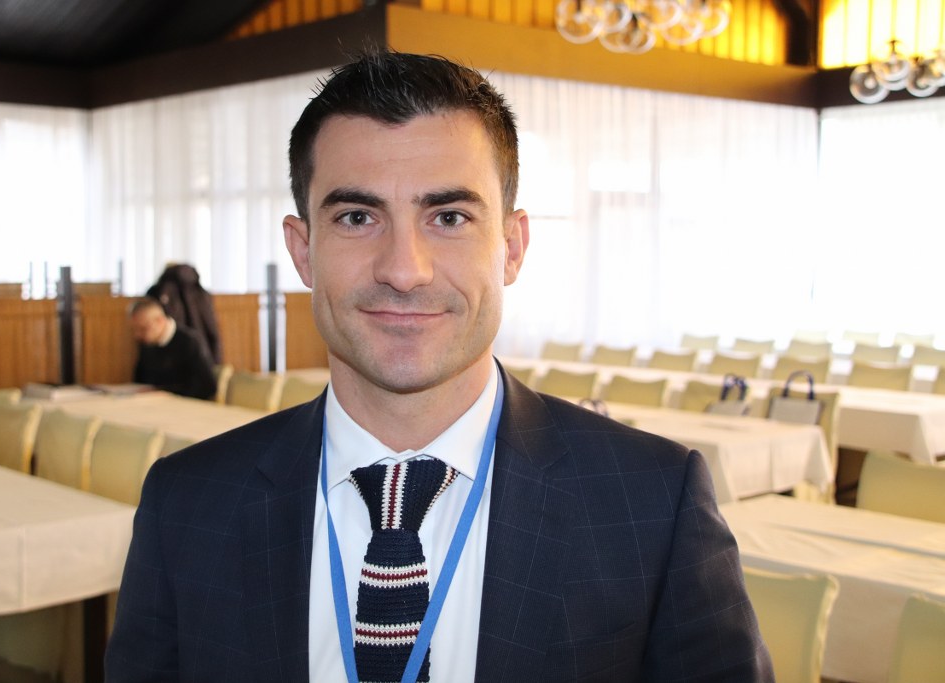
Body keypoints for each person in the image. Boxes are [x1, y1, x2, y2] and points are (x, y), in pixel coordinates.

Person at [105, 50, 773, 682]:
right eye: (358, 216)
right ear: (303, 250)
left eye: (449, 217)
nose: (404, 270)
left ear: (512, 247)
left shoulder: (654, 504)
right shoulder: (185, 507)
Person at [128, 298, 217, 400]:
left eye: (143, 329)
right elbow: (140, 380)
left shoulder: (190, 342)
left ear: (160, 321)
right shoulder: (147, 344)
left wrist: (166, 393)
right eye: (135, 329)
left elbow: (206, 387)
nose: (137, 335)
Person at [146, 263, 223, 365]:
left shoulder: (160, 290)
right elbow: (211, 328)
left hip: (170, 351)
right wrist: (216, 359)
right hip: (203, 348)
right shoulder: (201, 291)